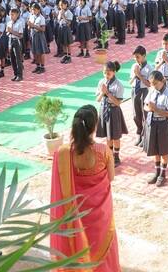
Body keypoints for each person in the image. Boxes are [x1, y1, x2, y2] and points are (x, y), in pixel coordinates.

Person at [50, 105, 120, 271]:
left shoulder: (63, 153)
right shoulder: (104, 151)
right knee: (103, 248)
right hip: (100, 217)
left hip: (74, 217)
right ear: (95, 126)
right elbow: (110, 178)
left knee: (74, 248)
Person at [142, 71, 168, 186]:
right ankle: (157, 172)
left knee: (163, 150)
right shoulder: (152, 91)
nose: (153, 86)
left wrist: (156, 109)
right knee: (155, 149)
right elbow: (145, 106)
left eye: (156, 83)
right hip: (152, 123)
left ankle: (163, 174)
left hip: (162, 124)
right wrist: (150, 109)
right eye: (152, 84)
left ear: (162, 81)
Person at [96, 61, 127, 166]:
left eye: (108, 73)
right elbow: (98, 99)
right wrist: (102, 93)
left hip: (114, 111)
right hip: (104, 109)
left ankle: (116, 156)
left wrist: (108, 93)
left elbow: (118, 102)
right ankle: (109, 155)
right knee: (108, 136)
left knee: (116, 136)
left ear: (114, 72)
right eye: (104, 72)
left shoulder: (118, 85)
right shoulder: (101, 82)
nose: (106, 75)